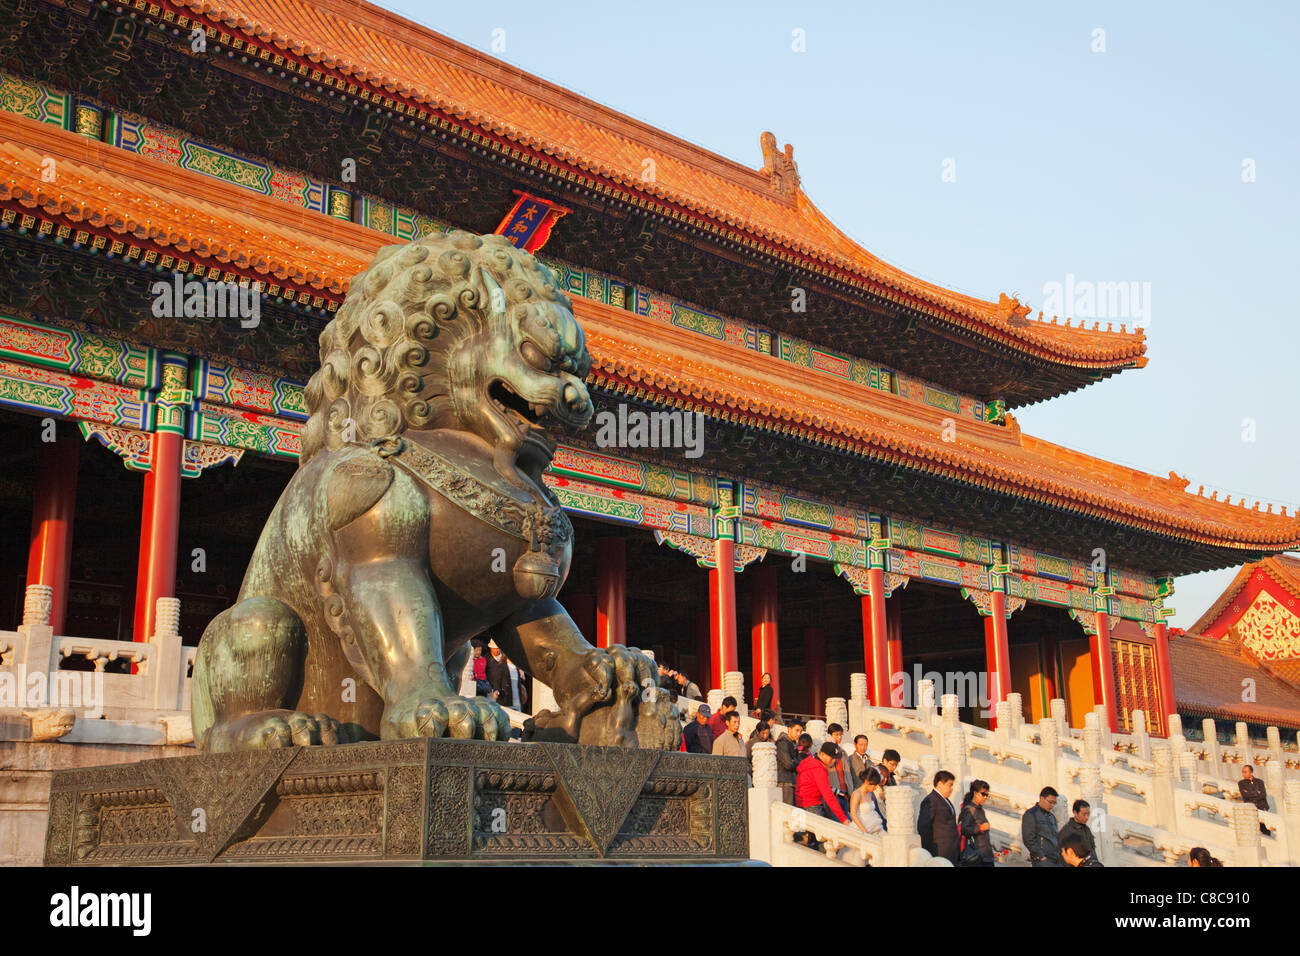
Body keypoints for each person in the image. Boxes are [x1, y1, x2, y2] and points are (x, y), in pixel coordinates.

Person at [795, 741, 851, 825]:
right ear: (823, 754)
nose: (833, 761)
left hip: (800, 805)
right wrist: (843, 819)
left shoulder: (808, 762)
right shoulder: (819, 769)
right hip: (813, 807)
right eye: (831, 758)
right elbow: (828, 796)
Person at [916, 770, 959, 864]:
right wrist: (929, 853)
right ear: (939, 784)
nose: (952, 789)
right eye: (950, 785)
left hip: (951, 851)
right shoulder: (930, 800)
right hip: (939, 852)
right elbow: (924, 828)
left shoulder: (946, 800)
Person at [957, 779, 994, 867]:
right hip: (977, 856)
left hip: (986, 855)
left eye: (987, 795)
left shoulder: (980, 809)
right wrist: (980, 828)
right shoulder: (969, 810)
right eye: (983, 794)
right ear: (975, 793)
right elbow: (964, 830)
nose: (985, 797)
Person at [1021, 787, 1062, 867]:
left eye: (1054, 803)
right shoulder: (1031, 814)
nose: (1052, 805)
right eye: (1050, 802)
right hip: (1042, 861)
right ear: (1041, 798)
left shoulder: (1051, 816)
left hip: (1056, 859)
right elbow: (1028, 839)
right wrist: (1041, 856)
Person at [485, 640, 527, 711]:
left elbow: (520, 683)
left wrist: (522, 675)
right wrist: (496, 690)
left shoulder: (517, 668)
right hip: (506, 701)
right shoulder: (501, 666)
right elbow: (497, 681)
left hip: (517, 702)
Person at [849, 766, 887, 835]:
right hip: (862, 828)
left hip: (875, 826)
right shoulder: (857, 794)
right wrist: (864, 831)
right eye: (875, 785)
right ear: (868, 782)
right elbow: (853, 814)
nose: (876, 787)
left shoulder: (870, 794)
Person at [775, 721, 805, 805]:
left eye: (800, 731)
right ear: (789, 729)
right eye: (797, 730)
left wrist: (794, 761)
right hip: (784, 782)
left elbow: (797, 762)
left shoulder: (793, 743)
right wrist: (796, 762)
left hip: (792, 782)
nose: (799, 734)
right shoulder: (782, 742)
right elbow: (788, 764)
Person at [826, 723, 851, 813]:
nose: (839, 737)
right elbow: (829, 765)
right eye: (836, 735)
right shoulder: (825, 751)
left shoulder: (843, 752)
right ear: (830, 736)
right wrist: (831, 746)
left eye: (841, 735)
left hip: (845, 790)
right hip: (833, 790)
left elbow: (848, 772)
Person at [1239, 765, 1270, 834]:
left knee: (1265, 829)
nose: (1243, 774)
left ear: (1251, 773)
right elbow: (1245, 795)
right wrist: (1256, 793)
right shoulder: (1241, 783)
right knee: (1253, 830)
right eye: (1243, 772)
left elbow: (1263, 795)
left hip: (1262, 807)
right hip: (1250, 808)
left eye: (1245, 772)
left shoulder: (1259, 782)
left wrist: (1250, 793)